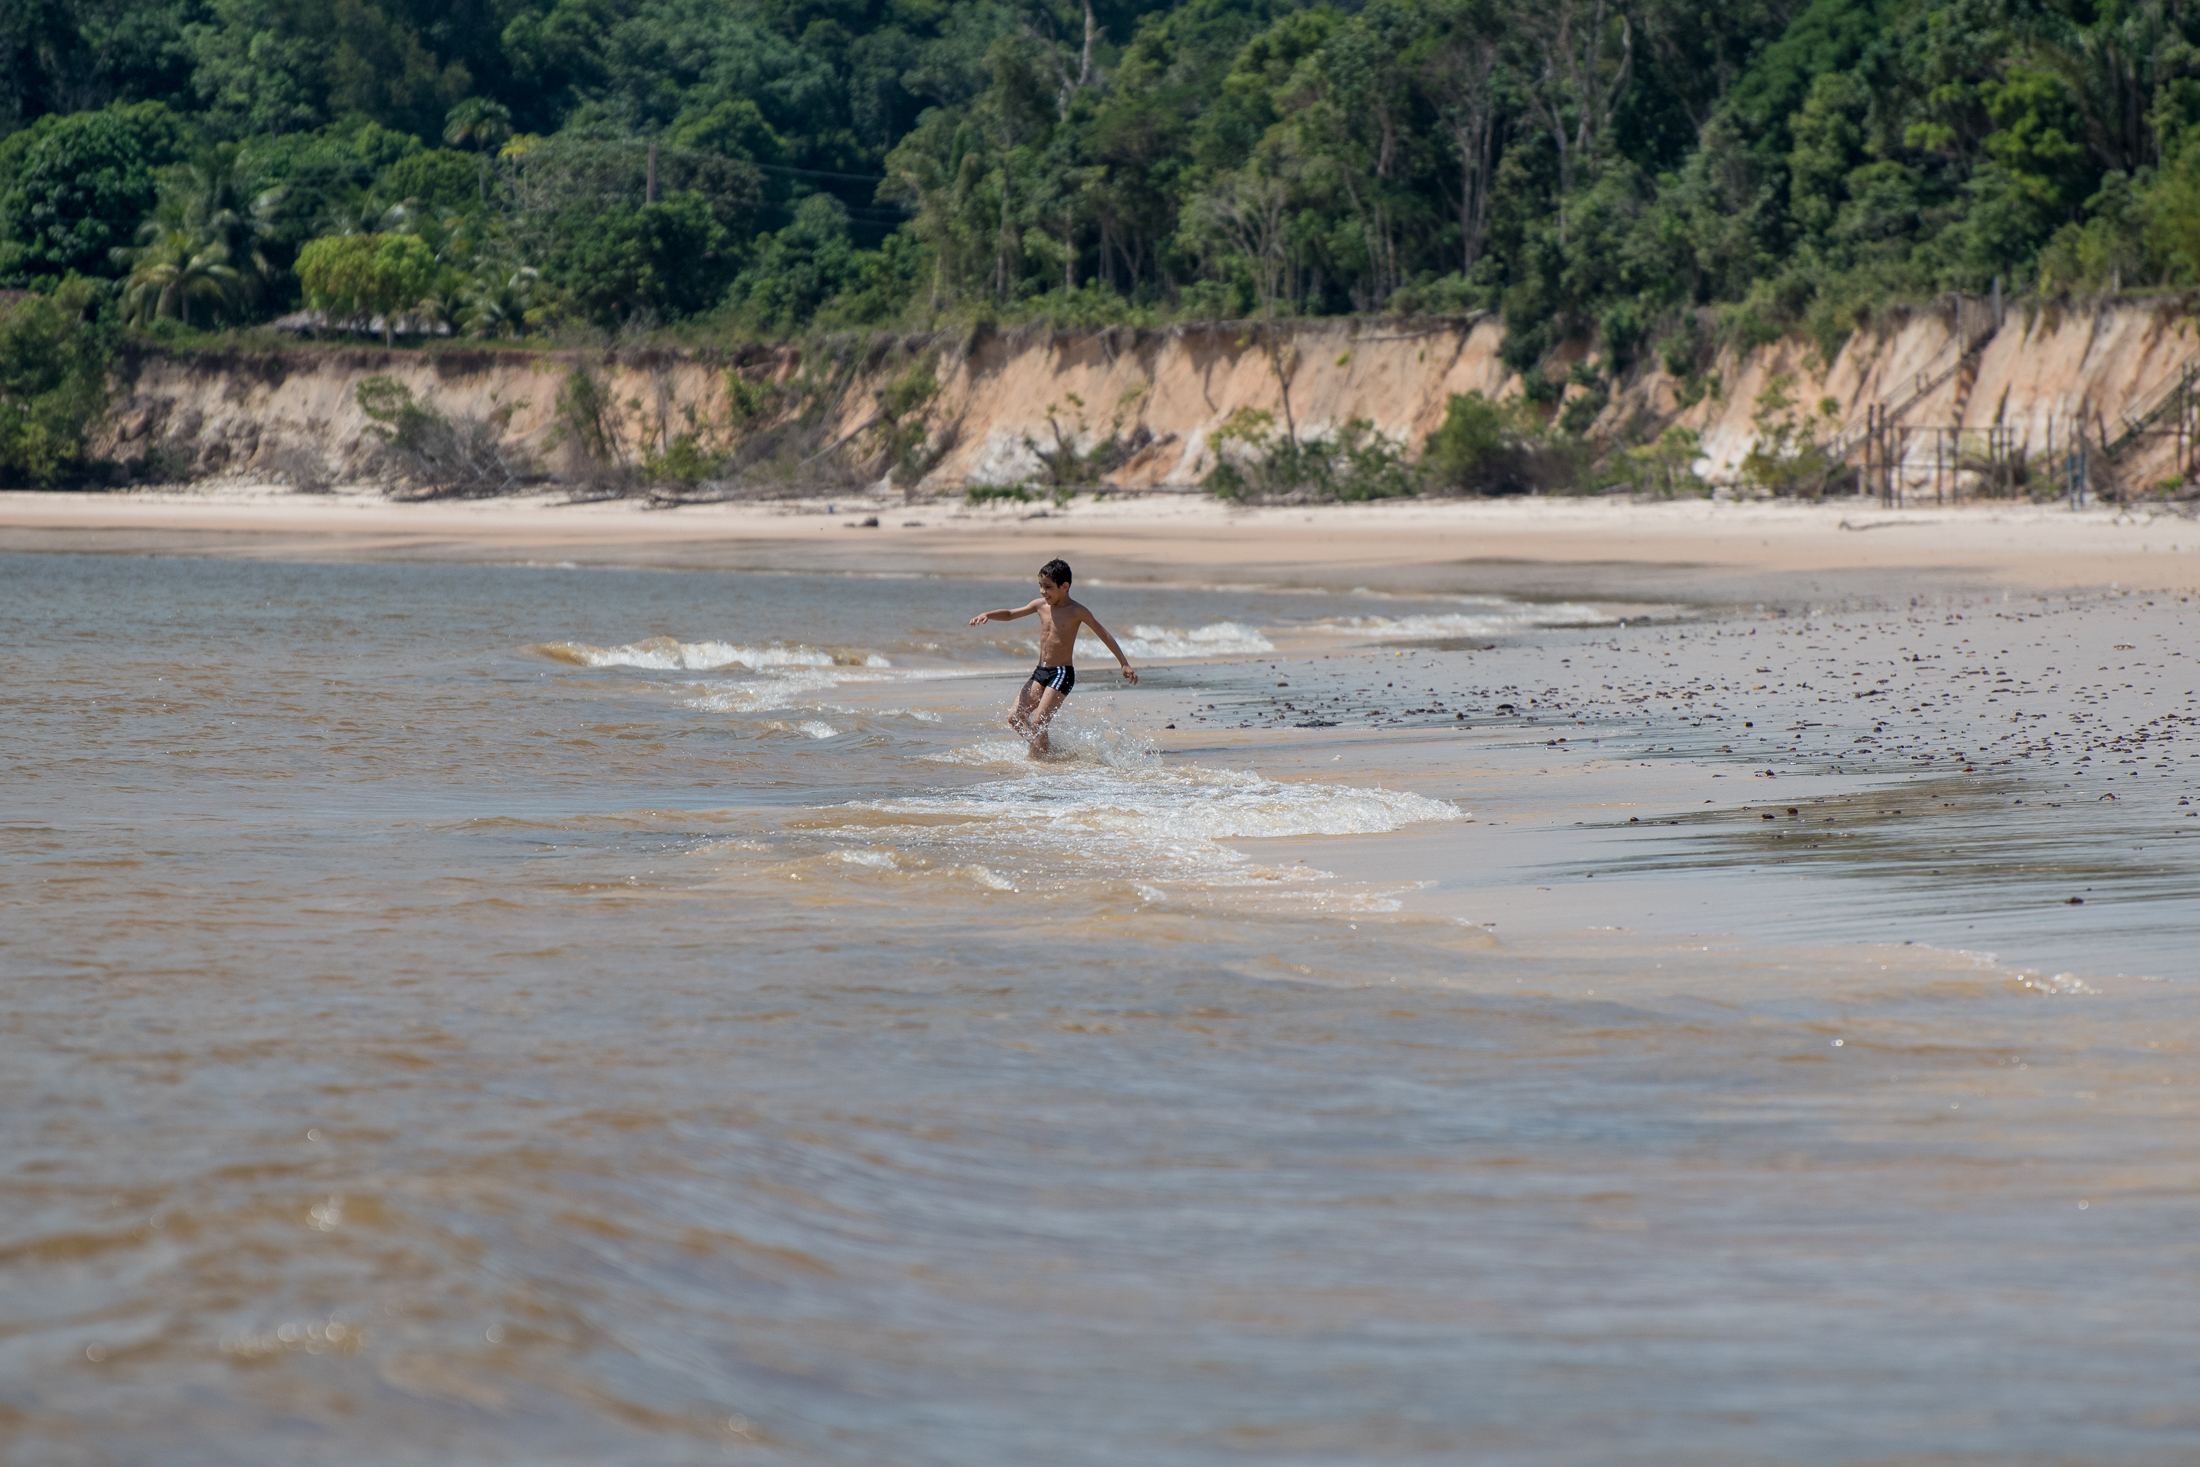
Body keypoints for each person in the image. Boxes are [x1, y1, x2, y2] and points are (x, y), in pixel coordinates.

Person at [967, 558, 1138, 756]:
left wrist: (1124, 663)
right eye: (1040, 586)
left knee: (1039, 723)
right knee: (1015, 717)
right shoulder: (1040, 605)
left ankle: (1040, 758)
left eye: (1047, 587)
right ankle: (1045, 753)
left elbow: (1103, 634)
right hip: (1040, 672)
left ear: (1064, 587)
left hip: (1062, 673)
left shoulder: (1077, 611)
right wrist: (987, 614)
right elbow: (1011, 613)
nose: (1042, 591)